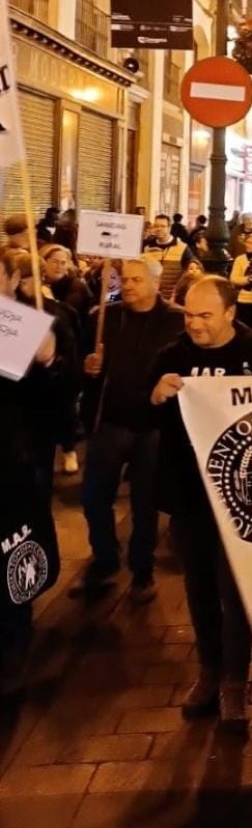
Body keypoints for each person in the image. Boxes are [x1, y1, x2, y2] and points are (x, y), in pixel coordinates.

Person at [151, 276, 252, 732]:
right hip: (188, 497)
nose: (194, 324)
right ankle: (208, 671)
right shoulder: (172, 357)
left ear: (230, 313)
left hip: (240, 500)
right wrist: (157, 395)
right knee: (200, 591)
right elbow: (143, 411)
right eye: (188, 314)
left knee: (234, 592)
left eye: (205, 315)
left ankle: (234, 682)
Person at [75, 258, 185, 602]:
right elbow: (80, 366)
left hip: (153, 427)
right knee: (95, 497)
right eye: (125, 279)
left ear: (156, 283)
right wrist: (88, 368)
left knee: (145, 503)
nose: (130, 285)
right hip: (111, 423)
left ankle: (142, 570)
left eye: (138, 279)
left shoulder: (176, 320)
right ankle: (105, 560)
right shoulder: (103, 318)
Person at [0, 251, 69, 701]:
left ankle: (12, 652)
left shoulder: (26, 326)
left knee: (15, 557)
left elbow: (54, 403)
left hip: (11, 467)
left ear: (12, 280)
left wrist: (48, 364)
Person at [144, 215, 196, 299]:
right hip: (152, 298)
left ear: (169, 228)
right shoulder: (147, 248)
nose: (159, 229)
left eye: (163, 226)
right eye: (156, 226)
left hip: (173, 298)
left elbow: (190, 269)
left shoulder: (182, 248)